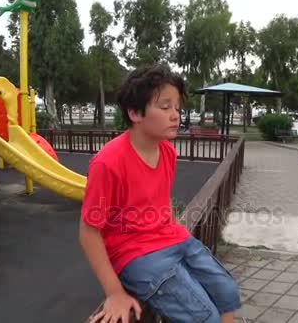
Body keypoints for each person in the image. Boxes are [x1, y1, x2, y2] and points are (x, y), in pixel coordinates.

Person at [80, 64, 241, 323]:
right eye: (165, 107)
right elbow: (89, 232)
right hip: (136, 254)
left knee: (227, 292)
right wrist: (114, 292)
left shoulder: (167, 152)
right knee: (204, 316)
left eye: (177, 108)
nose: (175, 115)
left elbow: (159, 200)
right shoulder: (108, 163)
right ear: (134, 112)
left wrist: (172, 229)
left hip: (172, 238)